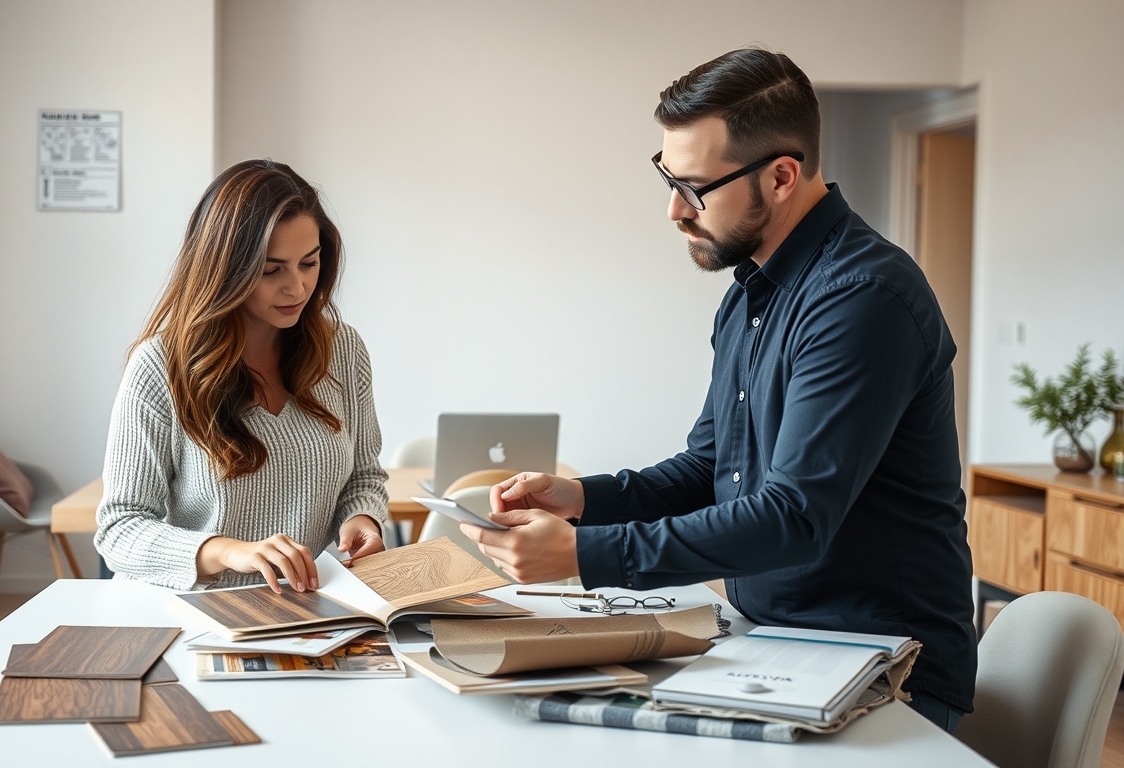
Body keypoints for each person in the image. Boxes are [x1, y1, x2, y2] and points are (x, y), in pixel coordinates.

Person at [460, 48, 976, 733]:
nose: (675, 209)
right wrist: (582, 500)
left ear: (782, 176)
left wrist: (586, 555)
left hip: (888, 666)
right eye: (669, 178)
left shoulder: (862, 298)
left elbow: (795, 515)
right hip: (775, 642)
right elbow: (711, 470)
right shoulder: (750, 296)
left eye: (696, 187)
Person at [96, 159, 389, 594]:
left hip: (300, 611)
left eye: (309, 263)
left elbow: (364, 476)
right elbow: (119, 528)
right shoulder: (160, 366)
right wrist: (228, 552)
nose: (296, 287)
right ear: (224, 269)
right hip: (190, 611)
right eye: (271, 270)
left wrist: (361, 518)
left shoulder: (342, 350)